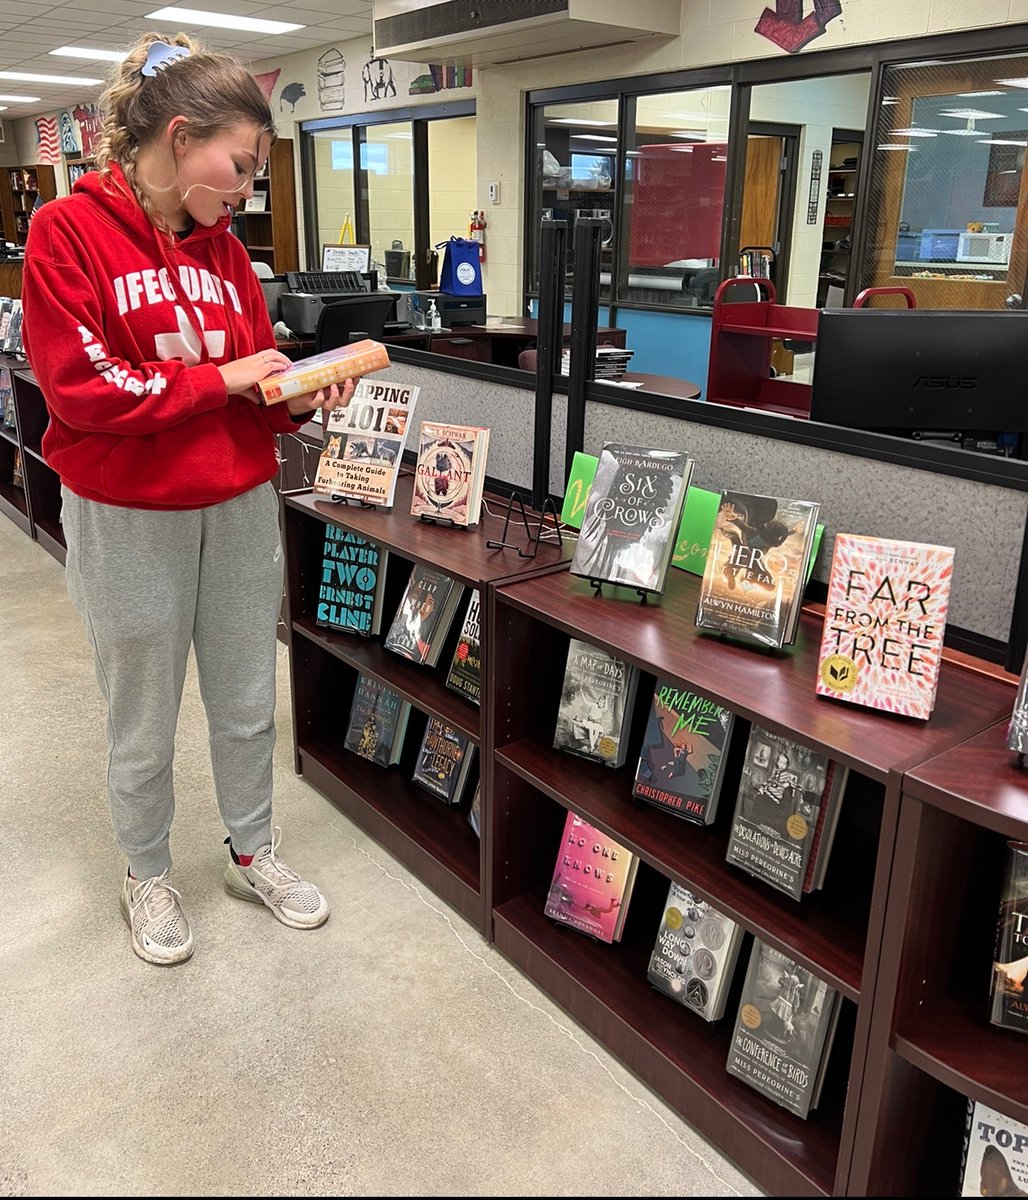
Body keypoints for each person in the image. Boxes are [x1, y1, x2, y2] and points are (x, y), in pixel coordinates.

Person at [20, 31, 354, 966]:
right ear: (178, 136)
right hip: (127, 516)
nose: (248, 186)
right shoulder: (66, 233)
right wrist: (227, 381)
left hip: (241, 505)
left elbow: (259, 378)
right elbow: (84, 392)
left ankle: (254, 851)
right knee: (143, 711)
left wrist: (296, 395)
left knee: (249, 697)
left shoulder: (225, 251)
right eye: (240, 163)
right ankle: (146, 872)